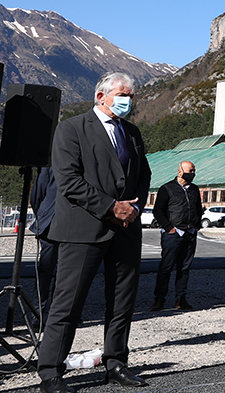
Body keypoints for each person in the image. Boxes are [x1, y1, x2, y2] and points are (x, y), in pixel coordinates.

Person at [38, 72, 152, 392]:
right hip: (84, 229)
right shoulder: (72, 128)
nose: (127, 100)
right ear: (101, 96)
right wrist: (110, 206)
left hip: (126, 230)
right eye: (122, 94)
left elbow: (143, 176)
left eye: (130, 95)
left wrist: (134, 208)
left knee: (121, 302)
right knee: (68, 302)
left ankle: (115, 362)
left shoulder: (131, 132)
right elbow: (69, 180)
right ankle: (50, 371)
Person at [151, 161, 204, 311]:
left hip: (189, 234)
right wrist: (169, 228)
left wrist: (196, 225)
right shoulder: (167, 188)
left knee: (184, 268)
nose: (193, 173)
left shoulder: (194, 189)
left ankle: (181, 299)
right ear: (180, 171)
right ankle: (159, 300)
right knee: (166, 267)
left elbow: (198, 208)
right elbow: (158, 211)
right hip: (173, 234)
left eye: (194, 171)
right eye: (190, 170)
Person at [30, 167, 59, 323]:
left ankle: (43, 315)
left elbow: (37, 195)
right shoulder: (49, 163)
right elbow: (37, 196)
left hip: (58, 222)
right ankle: (39, 314)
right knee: (49, 270)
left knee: (49, 271)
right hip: (51, 223)